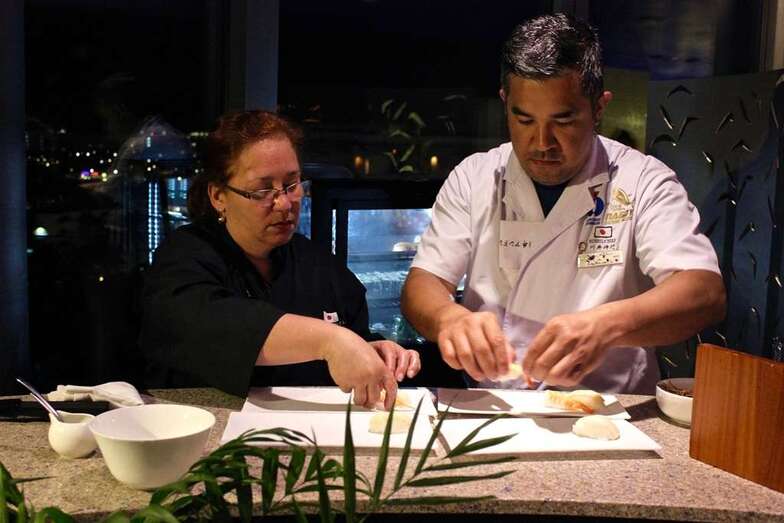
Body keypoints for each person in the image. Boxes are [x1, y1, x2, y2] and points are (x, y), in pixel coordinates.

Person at [400, 14, 725, 394]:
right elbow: (422, 284)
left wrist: (607, 325)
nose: (541, 143)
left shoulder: (643, 181)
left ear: (599, 108)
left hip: (612, 409)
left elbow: (704, 292)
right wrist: (448, 318)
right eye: (523, 120)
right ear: (505, 103)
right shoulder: (475, 176)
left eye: (563, 121)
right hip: (493, 405)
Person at [140, 110, 420, 408]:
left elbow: (354, 334)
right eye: (263, 190)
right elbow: (207, 325)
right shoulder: (184, 256)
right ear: (218, 196)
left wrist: (373, 351)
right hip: (208, 434)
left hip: (312, 435)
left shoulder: (317, 262)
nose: (284, 203)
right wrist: (331, 341)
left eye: (292, 184)